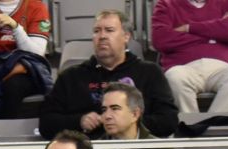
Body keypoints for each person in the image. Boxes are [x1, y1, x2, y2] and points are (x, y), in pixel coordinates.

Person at [39, 10, 178, 140]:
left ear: (126, 37)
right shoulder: (71, 76)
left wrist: (128, 122)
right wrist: (79, 121)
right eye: (97, 31)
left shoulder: (150, 72)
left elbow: (168, 120)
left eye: (109, 30)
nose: (102, 36)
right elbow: (46, 124)